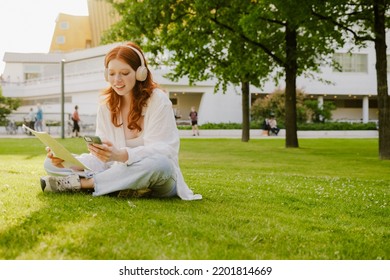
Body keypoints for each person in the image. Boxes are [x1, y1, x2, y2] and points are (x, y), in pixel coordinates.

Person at [39, 42, 202, 201]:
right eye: (111, 74)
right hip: (116, 171)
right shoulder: (106, 106)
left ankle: (84, 184)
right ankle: (122, 186)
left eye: (124, 73)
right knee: (51, 164)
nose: (117, 80)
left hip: (159, 179)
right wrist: (67, 160)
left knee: (161, 164)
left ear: (140, 73)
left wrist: (122, 155)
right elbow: (101, 160)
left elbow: (165, 150)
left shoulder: (158, 100)